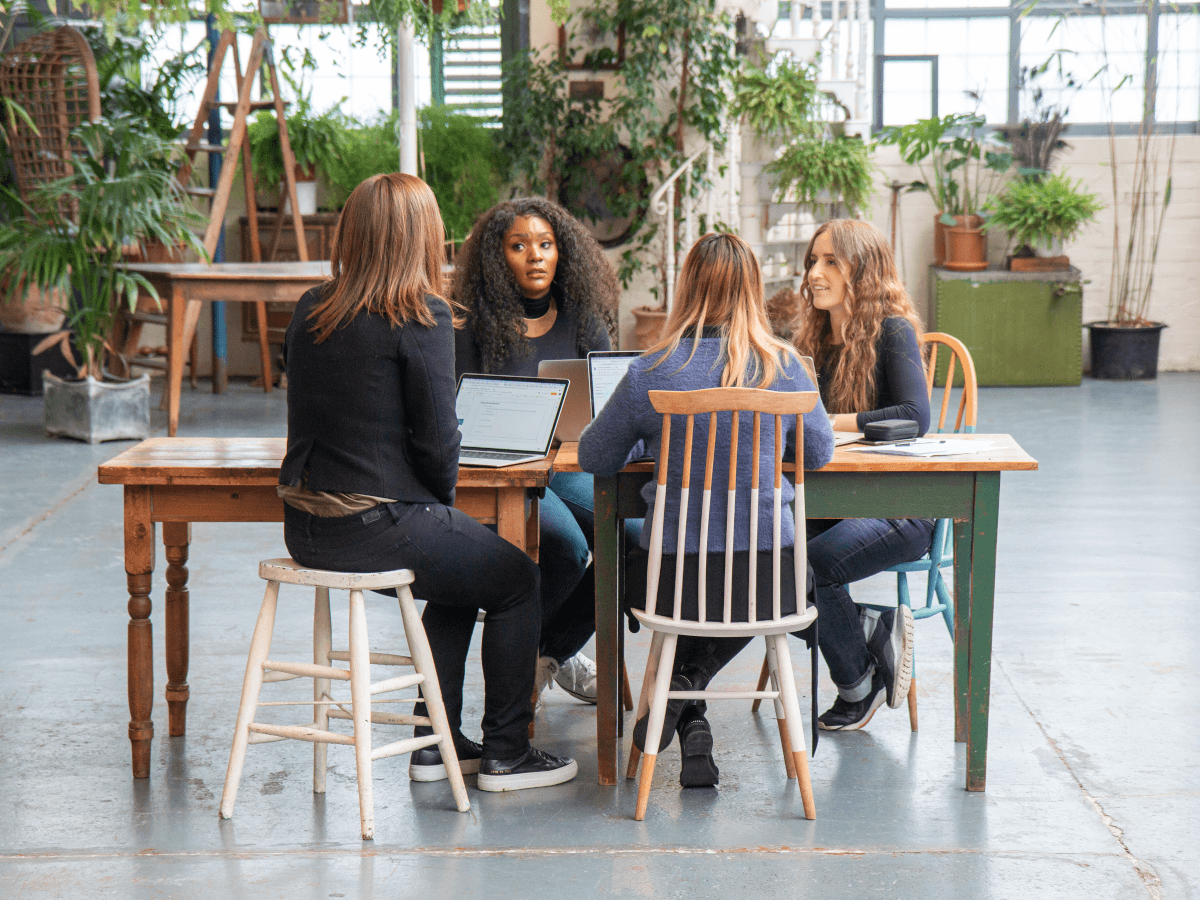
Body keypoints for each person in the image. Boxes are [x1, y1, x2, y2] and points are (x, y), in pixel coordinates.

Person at [278, 174, 577, 792]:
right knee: (519, 578)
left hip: (306, 531)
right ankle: (506, 752)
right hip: (376, 527)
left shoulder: (312, 307)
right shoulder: (419, 314)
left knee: (459, 571)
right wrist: (443, 511)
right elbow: (440, 444)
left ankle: (433, 742)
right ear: (421, 236)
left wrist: (441, 526)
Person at [578, 233, 835, 788]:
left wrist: (659, 442)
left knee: (639, 560)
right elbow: (817, 452)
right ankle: (690, 699)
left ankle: (680, 695)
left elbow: (596, 456)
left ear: (686, 289)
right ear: (753, 290)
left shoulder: (654, 371)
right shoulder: (786, 367)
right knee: (759, 580)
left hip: (673, 582)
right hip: (769, 579)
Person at [451, 197, 622, 708]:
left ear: (562, 251)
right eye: (519, 245)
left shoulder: (583, 319)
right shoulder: (472, 325)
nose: (535, 256)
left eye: (545, 244)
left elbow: (610, 402)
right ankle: (520, 665)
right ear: (496, 257)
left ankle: (547, 652)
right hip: (507, 472)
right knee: (568, 548)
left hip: (571, 463)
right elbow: (462, 408)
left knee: (631, 539)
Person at [791, 218, 931, 732]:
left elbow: (916, 416)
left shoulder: (891, 330)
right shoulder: (814, 340)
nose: (815, 274)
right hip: (831, 502)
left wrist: (831, 421)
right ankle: (871, 627)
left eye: (831, 261)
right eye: (812, 262)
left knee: (814, 564)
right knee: (766, 562)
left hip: (898, 504)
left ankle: (856, 684)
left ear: (864, 271)